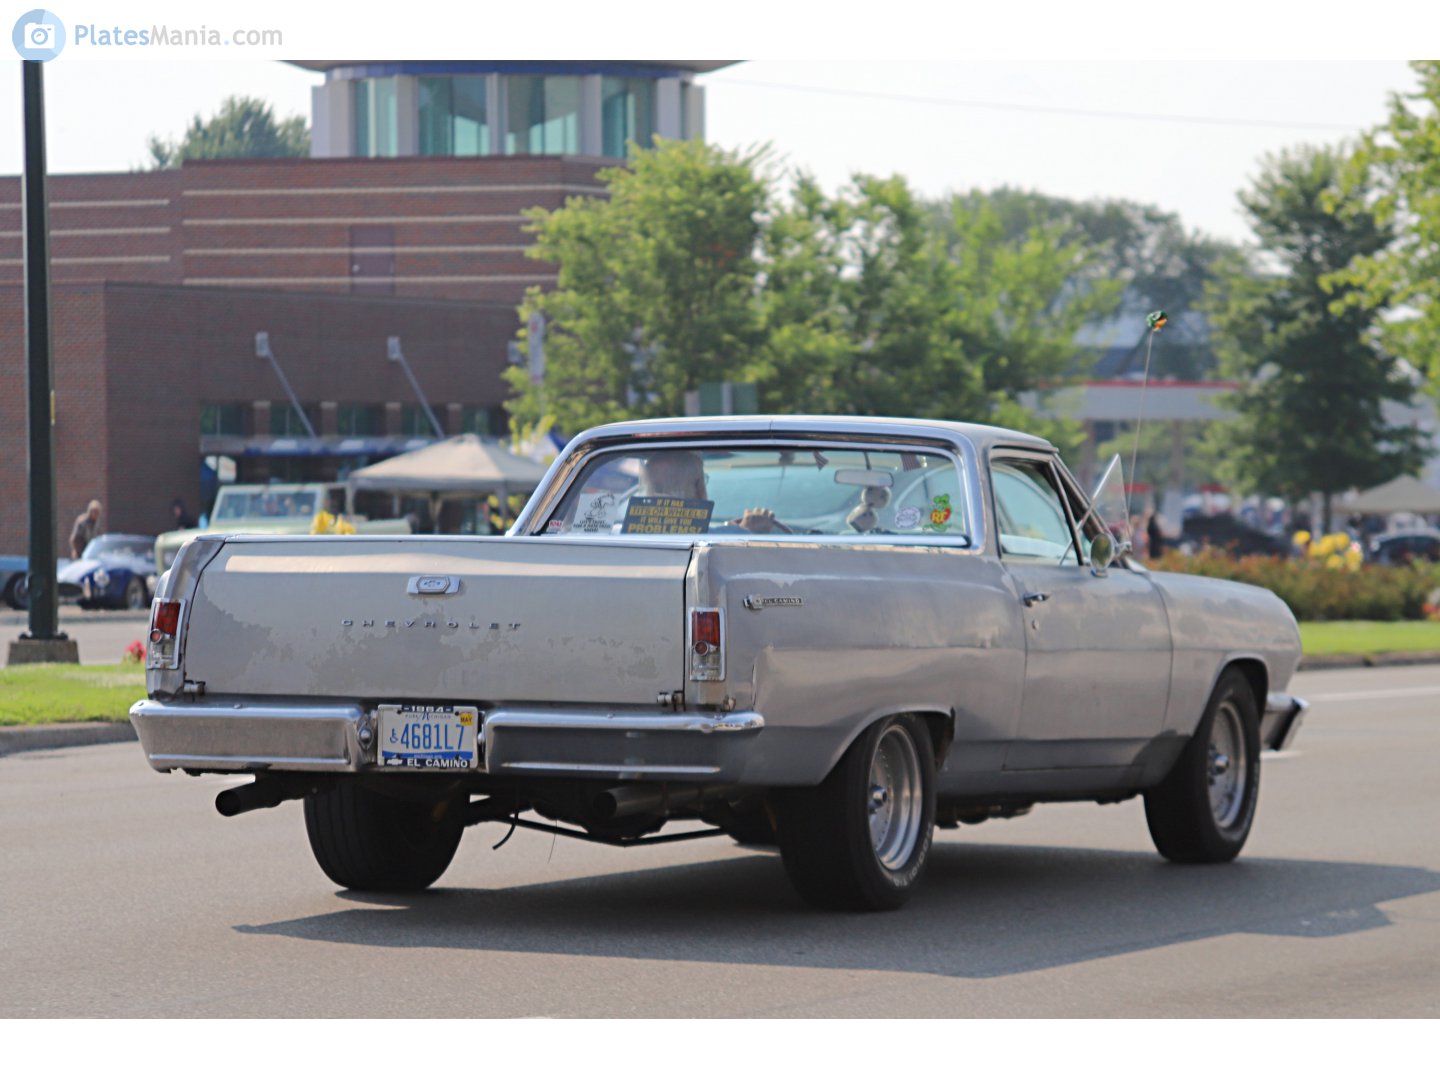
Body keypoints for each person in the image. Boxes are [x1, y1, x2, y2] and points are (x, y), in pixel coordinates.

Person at [638, 451, 786, 533]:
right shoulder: (719, 541)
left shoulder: (622, 536)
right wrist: (748, 530)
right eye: (703, 480)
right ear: (699, 490)